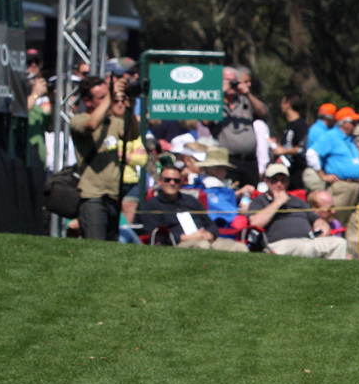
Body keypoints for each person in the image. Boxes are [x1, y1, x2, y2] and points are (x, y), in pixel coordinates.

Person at [69, 73, 140, 241]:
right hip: (92, 195)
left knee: (110, 249)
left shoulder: (112, 121)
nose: (108, 100)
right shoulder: (79, 120)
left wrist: (129, 106)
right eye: (101, 97)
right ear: (87, 101)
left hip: (113, 195)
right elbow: (91, 125)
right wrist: (111, 95)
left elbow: (132, 135)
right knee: (96, 246)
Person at [245, 163, 349, 259]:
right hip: (281, 244)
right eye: (274, 180)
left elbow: (315, 218)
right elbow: (255, 222)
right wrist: (278, 202)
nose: (279, 184)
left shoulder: (298, 201)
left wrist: (322, 225)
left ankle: (332, 277)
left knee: (340, 243)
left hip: (308, 241)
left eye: (283, 180)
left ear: (288, 182)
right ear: (267, 182)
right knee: (299, 248)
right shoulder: (260, 201)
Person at [138, 165, 246, 251]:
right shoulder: (152, 205)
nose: (172, 183)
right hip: (179, 243)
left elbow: (210, 223)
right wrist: (187, 238)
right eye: (167, 180)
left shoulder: (191, 200)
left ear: (181, 183)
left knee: (240, 248)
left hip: (207, 239)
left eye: (176, 181)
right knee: (203, 246)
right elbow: (153, 234)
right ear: (160, 182)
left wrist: (210, 233)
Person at [309, 106, 359, 258]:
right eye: (353, 122)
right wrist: (322, 175)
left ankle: (354, 257)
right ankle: (334, 254)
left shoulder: (349, 140)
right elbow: (311, 153)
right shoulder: (331, 136)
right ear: (344, 123)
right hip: (342, 186)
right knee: (335, 220)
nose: (355, 125)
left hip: (356, 186)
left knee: (356, 222)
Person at [213, 66, 268, 188]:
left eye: (234, 81)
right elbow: (206, 120)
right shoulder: (215, 102)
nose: (231, 84)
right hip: (228, 161)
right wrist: (220, 93)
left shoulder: (245, 100)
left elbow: (261, 111)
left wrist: (247, 93)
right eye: (227, 80)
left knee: (252, 193)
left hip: (249, 161)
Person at [270, 95, 307, 176]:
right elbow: (287, 144)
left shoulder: (300, 125)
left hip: (299, 170)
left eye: (283, 103)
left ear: (288, 104)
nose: (281, 106)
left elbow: (302, 148)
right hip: (289, 170)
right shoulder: (289, 126)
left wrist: (283, 151)